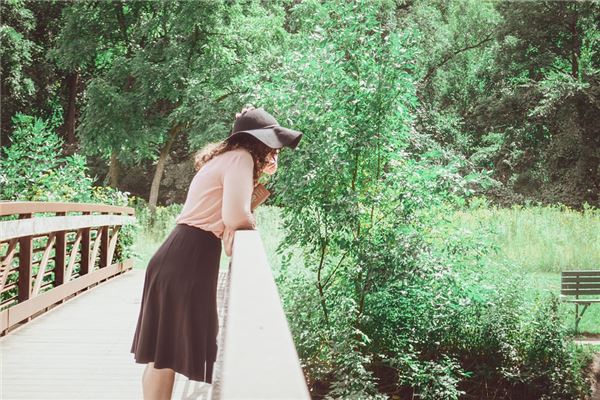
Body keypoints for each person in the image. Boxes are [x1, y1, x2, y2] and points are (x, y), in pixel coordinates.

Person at [130, 106, 302, 399]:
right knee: (164, 357)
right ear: (258, 142)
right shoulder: (241, 158)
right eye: (273, 147)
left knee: (161, 356)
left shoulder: (228, 157)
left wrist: (254, 189)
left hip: (181, 253)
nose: (276, 153)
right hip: (188, 256)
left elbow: (228, 224)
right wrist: (248, 220)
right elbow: (236, 216)